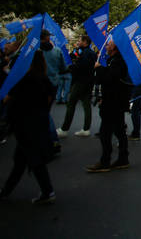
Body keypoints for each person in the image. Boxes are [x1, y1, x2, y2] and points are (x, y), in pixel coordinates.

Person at [0, 51, 56, 204]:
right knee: (22, 160)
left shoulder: (26, 79)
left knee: (32, 160)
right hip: (37, 124)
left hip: (26, 126)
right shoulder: (42, 78)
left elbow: (11, 99)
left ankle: (47, 191)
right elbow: (49, 97)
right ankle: (6, 190)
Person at [86, 40, 132, 172]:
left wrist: (98, 68)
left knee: (106, 133)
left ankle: (105, 161)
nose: (106, 46)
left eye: (108, 44)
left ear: (115, 48)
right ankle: (123, 158)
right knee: (119, 131)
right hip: (114, 101)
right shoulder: (115, 60)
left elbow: (109, 79)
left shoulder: (118, 61)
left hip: (113, 102)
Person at [57, 35, 96, 138]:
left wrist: (71, 67)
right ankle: (86, 128)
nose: (78, 42)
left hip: (81, 82)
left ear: (85, 42)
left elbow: (81, 67)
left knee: (71, 103)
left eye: (79, 40)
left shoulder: (86, 53)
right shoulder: (90, 53)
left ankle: (64, 129)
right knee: (86, 104)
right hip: (88, 82)